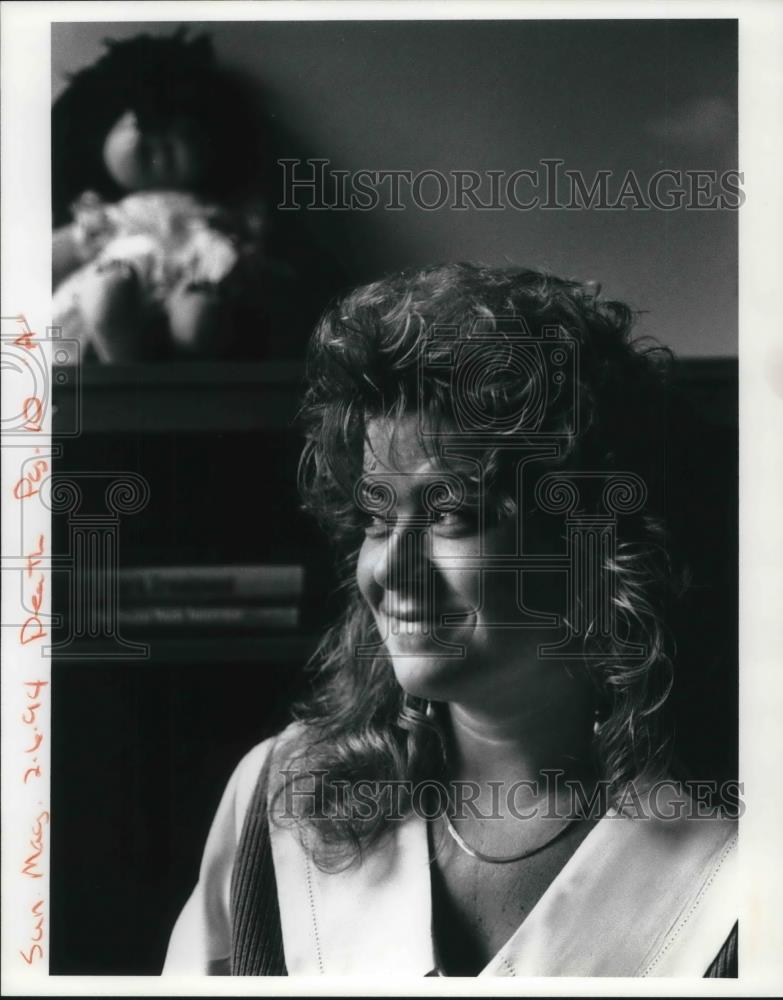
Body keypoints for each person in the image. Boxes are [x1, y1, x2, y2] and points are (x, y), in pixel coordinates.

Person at [163, 263, 738, 977]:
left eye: (452, 515)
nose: (389, 573)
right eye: (376, 518)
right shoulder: (278, 801)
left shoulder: (736, 867)